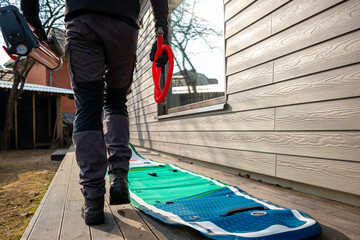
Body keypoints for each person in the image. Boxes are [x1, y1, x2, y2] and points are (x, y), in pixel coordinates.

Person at [21, 0, 169, 225]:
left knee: (88, 107)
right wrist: (161, 33)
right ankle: (119, 175)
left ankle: (93, 201)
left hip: (83, 20)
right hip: (124, 25)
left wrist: (31, 20)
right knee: (116, 101)